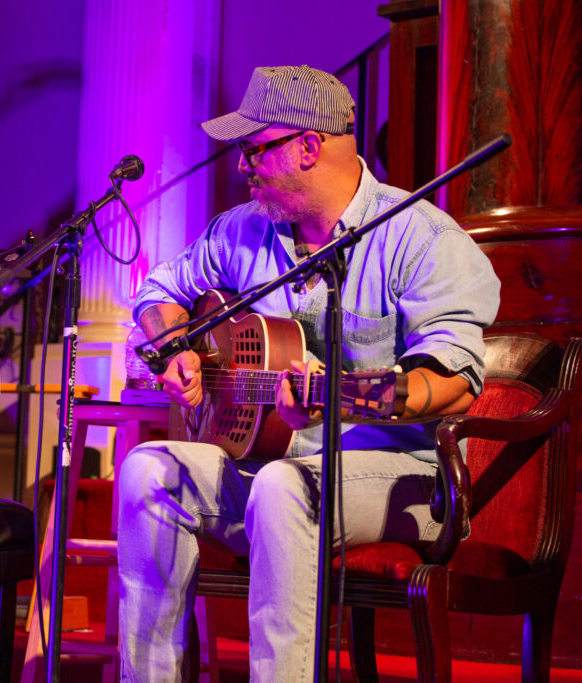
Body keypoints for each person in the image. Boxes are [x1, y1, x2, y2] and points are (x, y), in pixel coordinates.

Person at [116, 65, 500, 681]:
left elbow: (452, 382)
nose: (241, 167)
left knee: (281, 486)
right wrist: (174, 346)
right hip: (272, 463)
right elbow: (158, 289)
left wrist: (340, 400)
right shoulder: (241, 231)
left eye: (252, 150)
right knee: (148, 470)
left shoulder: (422, 239)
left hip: (400, 477)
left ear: (307, 147)